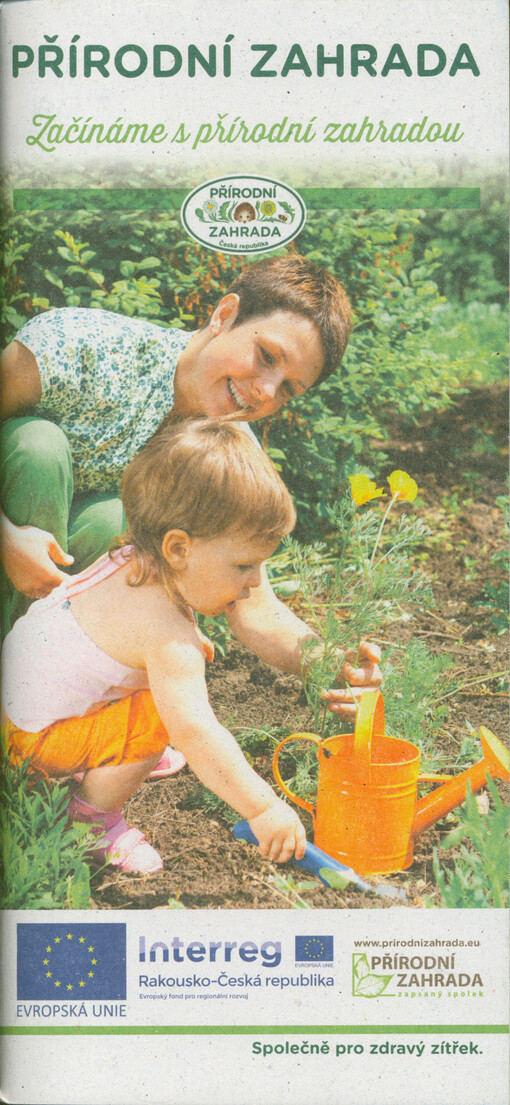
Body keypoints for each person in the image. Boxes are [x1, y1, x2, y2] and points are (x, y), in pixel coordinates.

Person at [2, 419, 377, 876]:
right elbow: (198, 733)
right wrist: (262, 809)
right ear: (178, 549)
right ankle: (91, 821)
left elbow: (107, 638)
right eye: (244, 565)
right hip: (27, 743)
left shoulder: (130, 560)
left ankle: (108, 754)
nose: (255, 581)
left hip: (16, 702)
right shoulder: (167, 637)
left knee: (164, 689)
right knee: (164, 712)